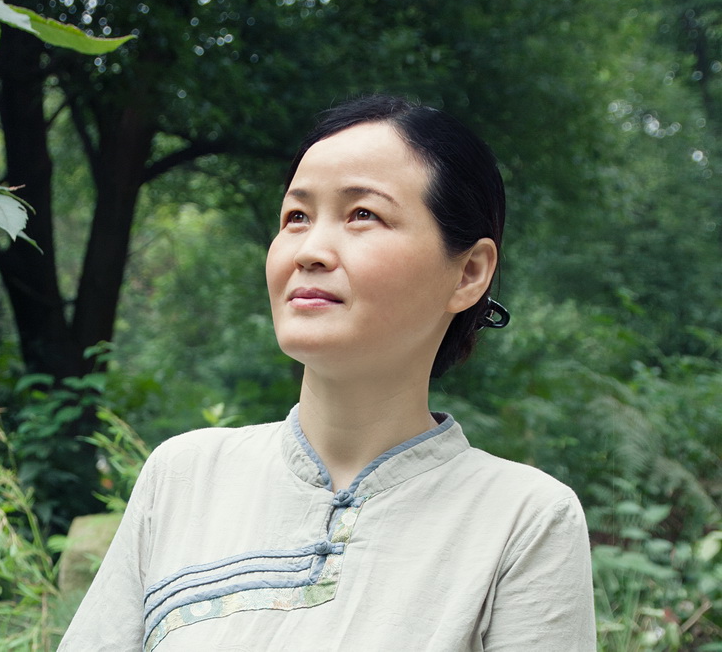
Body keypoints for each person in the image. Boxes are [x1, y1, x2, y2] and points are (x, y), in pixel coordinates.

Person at [59, 94, 596, 651]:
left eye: (363, 214)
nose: (310, 251)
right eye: (296, 217)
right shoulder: (183, 476)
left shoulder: (525, 520)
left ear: (469, 273)